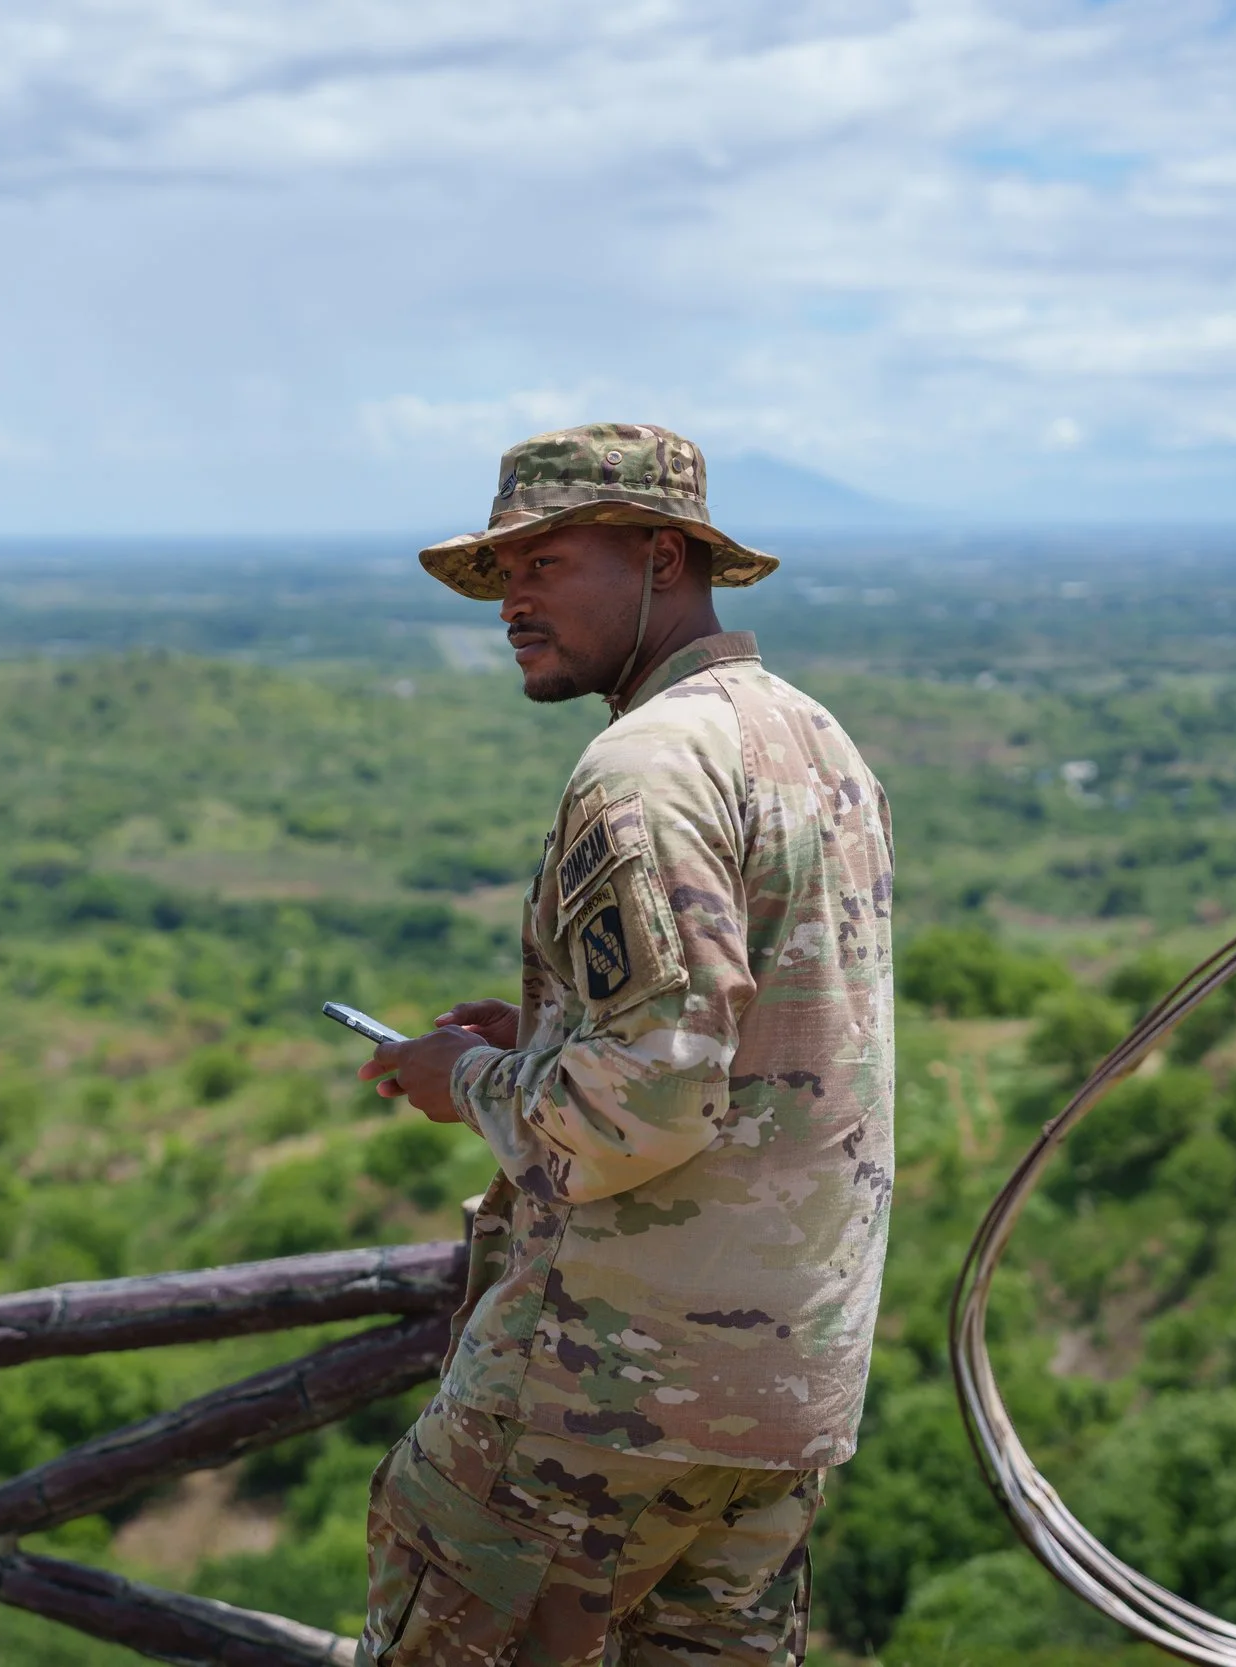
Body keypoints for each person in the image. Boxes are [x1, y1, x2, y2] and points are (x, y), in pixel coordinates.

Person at [353, 423, 895, 1666]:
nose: (513, 599)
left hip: (600, 1393)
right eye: (503, 573)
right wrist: (547, 1034)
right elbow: (756, 1042)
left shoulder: (640, 770)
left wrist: (470, 1079)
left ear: (664, 555)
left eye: (546, 561)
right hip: (775, 1396)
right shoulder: (811, 742)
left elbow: (638, 1105)